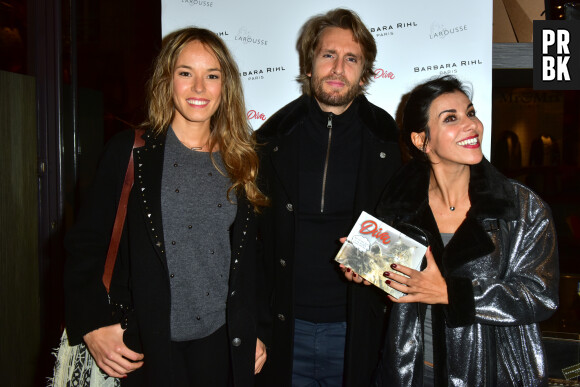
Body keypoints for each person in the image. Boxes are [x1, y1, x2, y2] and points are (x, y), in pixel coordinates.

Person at [64, 27, 269, 386]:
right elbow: (85, 246)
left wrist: (254, 328)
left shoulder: (243, 161)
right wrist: (92, 324)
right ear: (167, 80)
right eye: (186, 73)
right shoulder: (129, 153)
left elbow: (252, 261)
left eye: (212, 75)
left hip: (219, 346)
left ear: (226, 86)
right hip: (144, 347)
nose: (199, 88)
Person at [346, 75, 559, 386]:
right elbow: (405, 291)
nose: (471, 125)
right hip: (412, 371)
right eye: (451, 118)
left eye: (470, 113)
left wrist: (450, 293)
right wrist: (372, 272)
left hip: (491, 374)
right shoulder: (399, 206)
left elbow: (540, 295)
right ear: (422, 141)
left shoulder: (521, 207)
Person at [254, 8, 401, 387]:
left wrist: (377, 266)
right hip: (283, 329)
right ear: (309, 65)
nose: (338, 68)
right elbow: (247, 243)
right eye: (328, 55)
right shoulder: (269, 140)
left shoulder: (392, 142)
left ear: (365, 71)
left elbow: (413, 229)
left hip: (360, 330)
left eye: (351, 58)